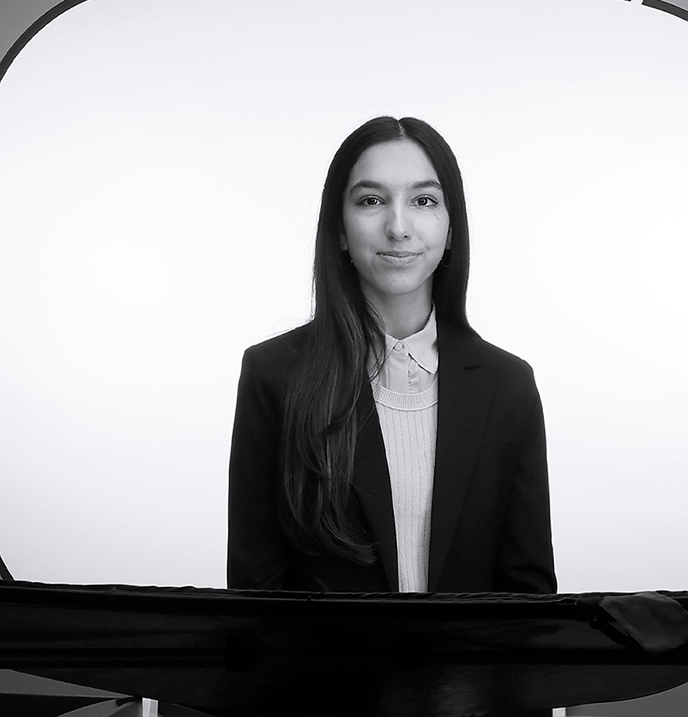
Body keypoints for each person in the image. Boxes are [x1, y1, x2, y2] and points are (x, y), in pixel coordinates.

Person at [227, 116, 555, 593]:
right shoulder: (273, 374)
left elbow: (531, 602)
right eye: (371, 200)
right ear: (340, 229)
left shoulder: (508, 385)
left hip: (471, 648)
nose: (398, 228)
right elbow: (255, 597)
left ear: (451, 229)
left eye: (424, 201)